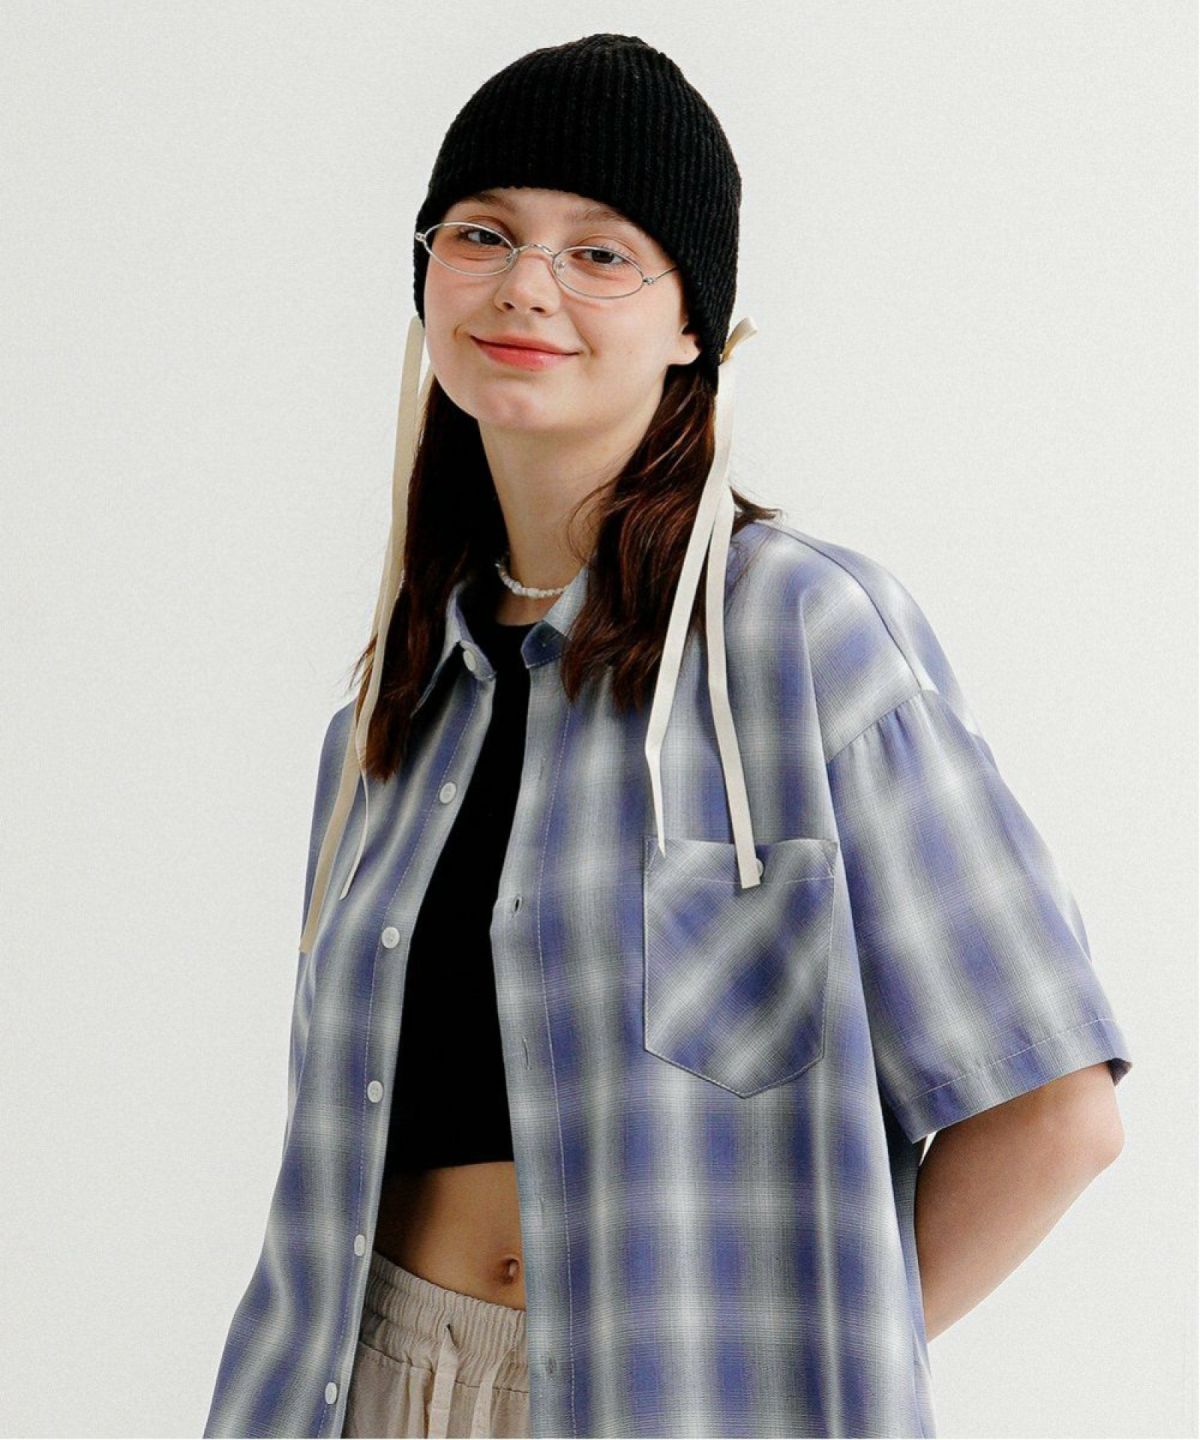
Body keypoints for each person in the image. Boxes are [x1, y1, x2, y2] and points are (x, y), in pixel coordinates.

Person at [203, 33, 1134, 1440]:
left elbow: (1056, 1113)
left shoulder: (802, 639)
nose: (527, 285)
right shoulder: (386, 721)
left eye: (602, 253)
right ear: (428, 274)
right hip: (359, 1390)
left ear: (694, 324)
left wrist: (801, 1389)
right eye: (484, 234)